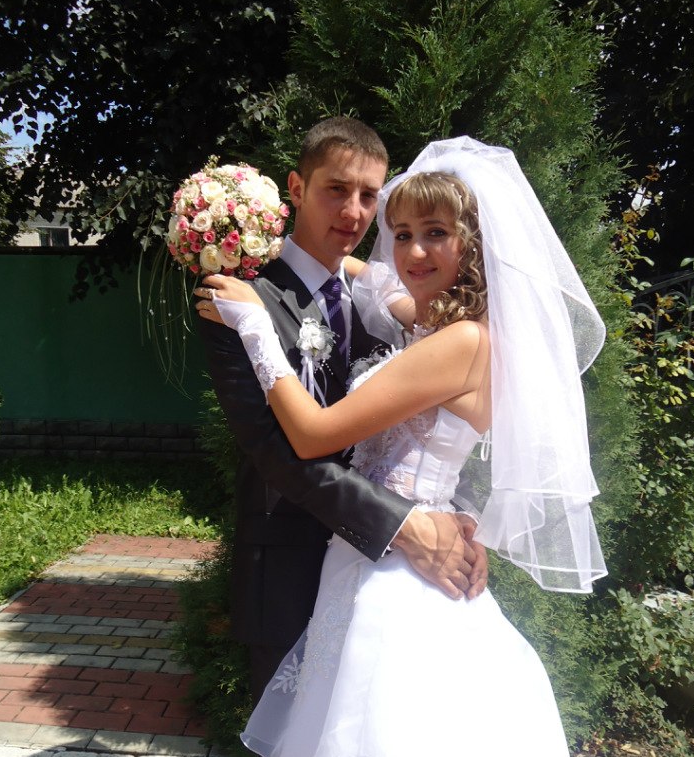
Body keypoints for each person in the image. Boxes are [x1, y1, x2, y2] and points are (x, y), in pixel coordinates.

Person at [197, 137, 607, 757]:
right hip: (374, 567)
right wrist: (315, 264)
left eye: (436, 235)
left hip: (395, 587)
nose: (410, 251)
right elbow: (372, 286)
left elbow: (315, 434)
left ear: (474, 246)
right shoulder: (440, 325)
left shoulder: (460, 344)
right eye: (404, 232)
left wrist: (255, 328)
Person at [196, 117, 487, 720]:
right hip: (290, 566)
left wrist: (458, 519)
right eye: (337, 189)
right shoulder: (241, 298)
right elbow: (277, 453)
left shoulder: (394, 307)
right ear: (296, 188)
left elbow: (433, 434)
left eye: (369, 195)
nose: (355, 212)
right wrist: (406, 525)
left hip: (390, 573)